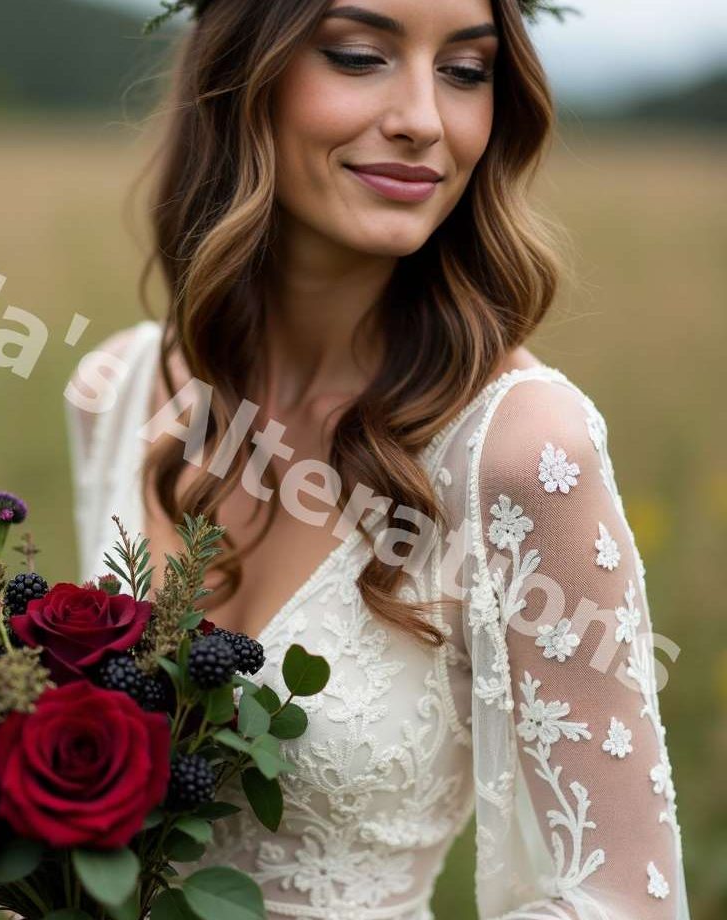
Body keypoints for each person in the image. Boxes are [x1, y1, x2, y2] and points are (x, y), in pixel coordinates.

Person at [64, 1, 690, 917]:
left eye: (466, 72)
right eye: (360, 56)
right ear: (241, 76)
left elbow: (625, 899)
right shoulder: (117, 391)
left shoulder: (517, 450)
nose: (424, 120)